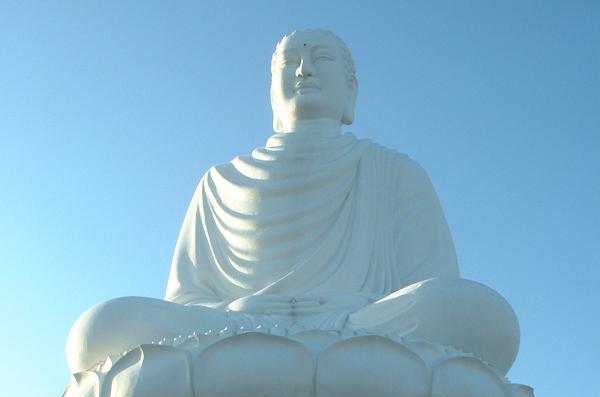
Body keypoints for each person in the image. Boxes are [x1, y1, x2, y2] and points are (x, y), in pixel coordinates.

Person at [66, 29, 519, 378]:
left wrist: (339, 314)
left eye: (320, 59)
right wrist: (237, 316)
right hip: (236, 332)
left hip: (363, 324)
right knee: (99, 331)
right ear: (271, 88)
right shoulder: (220, 181)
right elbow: (188, 300)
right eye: (290, 62)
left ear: (351, 90)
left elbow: (429, 287)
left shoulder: (393, 172)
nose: (304, 71)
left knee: (476, 314)